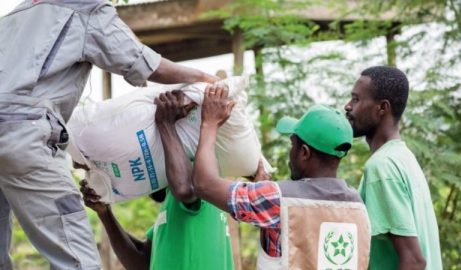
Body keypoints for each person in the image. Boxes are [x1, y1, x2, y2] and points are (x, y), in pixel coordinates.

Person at [0, 1, 218, 269]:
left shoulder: (18, 14)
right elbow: (146, 63)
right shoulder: (86, 6)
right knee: (77, 260)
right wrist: (208, 81)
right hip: (23, 134)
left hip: (13, 132)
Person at [190, 84, 371, 269]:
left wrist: (209, 124)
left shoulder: (278, 198)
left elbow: (204, 184)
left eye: (293, 145)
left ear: (305, 153)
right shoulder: (358, 206)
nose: (290, 153)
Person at [80, 91, 234, 270]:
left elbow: (185, 189)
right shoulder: (172, 203)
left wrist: (166, 125)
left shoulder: (199, 174)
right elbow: (143, 262)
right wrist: (104, 213)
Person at [344, 66, 442, 270]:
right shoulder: (404, 158)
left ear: (382, 108)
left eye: (356, 99)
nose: (347, 106)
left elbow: (414, 261)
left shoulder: (382, 167)